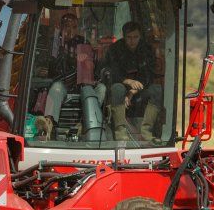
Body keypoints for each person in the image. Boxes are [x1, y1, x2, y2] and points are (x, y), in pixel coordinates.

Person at [39, 12, 105, 140]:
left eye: (74, 27)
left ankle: (83, 124)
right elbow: (50, 64)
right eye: (67, 26)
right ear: (61, 27)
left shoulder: (83, 42)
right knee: (56, 88)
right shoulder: (55, 43)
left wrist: (88, 60)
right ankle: (48, 124)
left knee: (101, 88)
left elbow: (91, 68)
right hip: (63, 83)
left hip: (83, 84)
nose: (70, 30)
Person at [103, 21, 162, 142]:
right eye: (129, 37)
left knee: (157, 89)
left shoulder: (146, 49)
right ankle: (120, 132)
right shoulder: (115, 49)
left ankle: (146, 131)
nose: (132, 41)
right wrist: (128, 81)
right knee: (117, 89)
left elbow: (148, 74)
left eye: (136, 37)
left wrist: (131, 92)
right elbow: (112, 71)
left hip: (140, 88)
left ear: (140, 36)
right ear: (124, 36)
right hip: (120, 85)